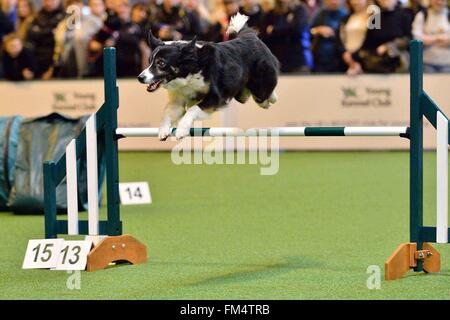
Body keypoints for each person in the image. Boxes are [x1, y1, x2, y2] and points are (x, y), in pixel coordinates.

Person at [352, 0, 411, 73]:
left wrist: (388, 46)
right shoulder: (375, 17)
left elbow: (408, 39)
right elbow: (368, 42)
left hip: (398, 60)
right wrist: (353, 57)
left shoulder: (404, 14)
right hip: (377, 62)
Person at [52, 0, 103, 78]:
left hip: (87, 65)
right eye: (71, 5)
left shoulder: (93, 21)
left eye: (77, 4)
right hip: (65, 66)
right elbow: (58, 46)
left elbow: (100, 40)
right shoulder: (62, 25)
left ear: (82, 5)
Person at [260, 0, 311, 72]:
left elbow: (298, 29)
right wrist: (287, 26)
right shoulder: (271, 14)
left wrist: (274, 29)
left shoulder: (300, 10)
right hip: (277, 60)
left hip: (297, 60)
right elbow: (264, 34)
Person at [26, 0, 65, 79]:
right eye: (46, 0)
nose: (49, 3)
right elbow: (31, 34)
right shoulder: (36, 16)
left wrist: (40, 31)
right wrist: (51, 31)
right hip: (38, 56)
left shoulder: (65, 16)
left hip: (57, 56)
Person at [412, 0, 450, 72]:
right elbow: (417, 38)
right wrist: (439, 38)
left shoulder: (448, 15)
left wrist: (429, 39)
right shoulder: (422, 15)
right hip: (426, 63)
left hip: (447, 63)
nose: (439, 2)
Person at [310, 0, 348, 72]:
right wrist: (317, 30)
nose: (333, 1)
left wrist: (335, 34)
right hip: (320, 61)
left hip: (339, 61)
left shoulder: (346, 15)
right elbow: (308, 30)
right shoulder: (321, 14)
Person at [338, 0, 370, 74]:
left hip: (365, 59)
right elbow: (340, 38)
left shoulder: (374, 18)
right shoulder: (346, 18)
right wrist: (345, 54)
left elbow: (372, 39)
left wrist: (354, 58)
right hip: (346, 59)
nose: (355, 2)